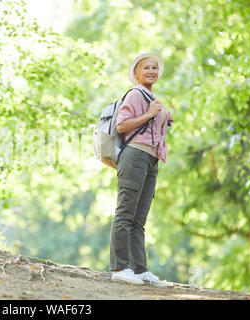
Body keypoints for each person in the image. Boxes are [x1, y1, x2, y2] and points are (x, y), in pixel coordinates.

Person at [109, 52, 173, 286]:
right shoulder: (136, 94)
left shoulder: (151, 97)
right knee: (125, 213)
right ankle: (119, 268)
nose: (151, 71)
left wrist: (165, 118)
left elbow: (151, 127)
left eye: (154, 67)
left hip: (151, 160)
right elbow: (122, 124)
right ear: (136, 73)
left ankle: (139, 269)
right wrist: (150, 114)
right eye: (146, 67)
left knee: (139, 220)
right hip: (134, 156)